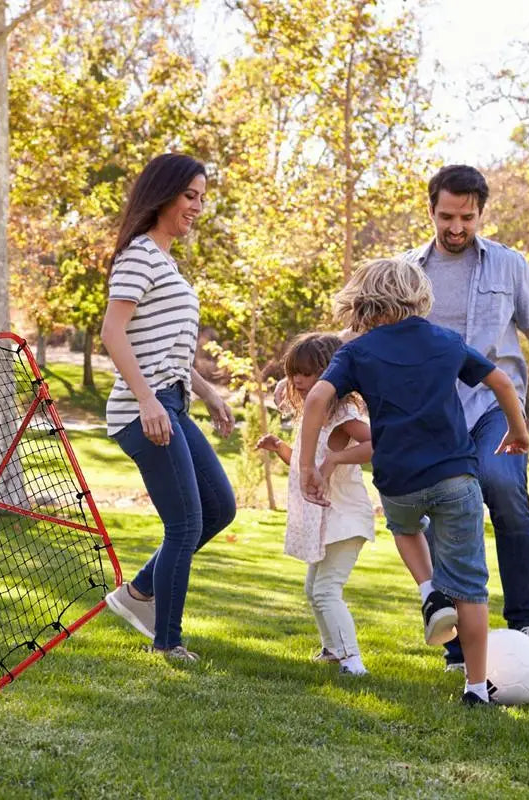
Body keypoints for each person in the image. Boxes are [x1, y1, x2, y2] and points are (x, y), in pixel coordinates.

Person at [298, 257, 529, 705]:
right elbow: (501, 381)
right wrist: (518, 433)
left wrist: (309, 463)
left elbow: (316, 401)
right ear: (419, 295)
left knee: (405, 529)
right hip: (455, 477)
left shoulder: (356, 351)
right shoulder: (445, 340)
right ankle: (477, 689)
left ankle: (429, 592)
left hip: (399, 481)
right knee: (472, 588)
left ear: (366, 300)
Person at [100, 153, 236, 662]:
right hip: (145, 410)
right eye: (189, 196)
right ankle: (168, 641)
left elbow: (166, 348)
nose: (197, 207)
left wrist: (207, 390)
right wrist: (146, 399)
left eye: (201, 197)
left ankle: (137, 593)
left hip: (171, 403)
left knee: (219, 507)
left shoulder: (165, 261)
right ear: (163, 195)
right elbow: (113, 333)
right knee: (184, 523)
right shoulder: (138, 255)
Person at [403, 164, 529, 669]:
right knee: (446, 512)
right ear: (431, 210)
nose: (456, 227)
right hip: (433, 415)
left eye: (466, 217)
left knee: (503, 485)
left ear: (481, 212)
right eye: (446, 216)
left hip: (496, 405)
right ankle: (460, 643)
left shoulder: (509, 265)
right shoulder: (407, 270)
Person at [257, 333, 374, 676]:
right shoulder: (314, 415)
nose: (298, 380)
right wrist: (280, 448)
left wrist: (337, 458)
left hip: (345, 517)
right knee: (313, 589)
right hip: (326, 517)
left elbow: (378, 444)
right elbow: (305, 465)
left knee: (326, 590)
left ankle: (352, 661)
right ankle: (332, 651)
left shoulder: (344, 413)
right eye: (294, 373)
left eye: (307, 373)